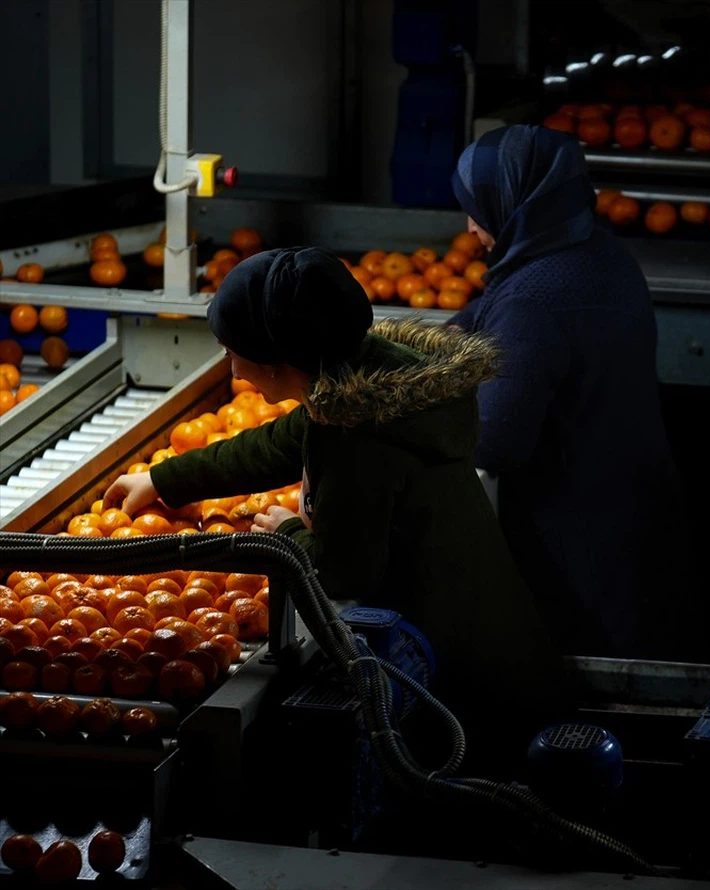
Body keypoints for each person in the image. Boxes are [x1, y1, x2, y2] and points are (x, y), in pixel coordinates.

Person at [103, 247, 566, 761]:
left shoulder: (358, 438)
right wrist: (164, 479)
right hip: (498, 647)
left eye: (235, 353)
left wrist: (285, 531)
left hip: (476, 695)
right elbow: (279, 443)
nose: (233, 372)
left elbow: (346, 573)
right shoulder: (368, 384)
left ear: (281, 362)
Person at [448, 124, 691, 659]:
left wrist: (406, 411)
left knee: (592, 691)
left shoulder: (536, 297)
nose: (469, 226)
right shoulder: (597, 253)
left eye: (479, 207)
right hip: (637, 510)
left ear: (516, 200)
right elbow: (491, 316)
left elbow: (496, 441)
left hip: (580, 536)